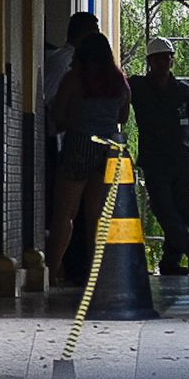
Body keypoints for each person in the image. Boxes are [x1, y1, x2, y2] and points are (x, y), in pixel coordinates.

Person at [46, 31, 131, 286]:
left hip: (79, 144)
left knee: (65, 214)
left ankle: (51, 272)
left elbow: (58, 114)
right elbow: (123, 117)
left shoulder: (75, 78)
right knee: (97, 216)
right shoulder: (120, 82)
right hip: (108, 149)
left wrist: (74, 119)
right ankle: (97, 276)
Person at [130, 36, 189, 275]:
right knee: (162, 207)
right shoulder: (138, 87)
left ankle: (171, 261)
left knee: (181, 211)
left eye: (166, 58)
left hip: (181, 159)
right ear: (149, 61)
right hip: (154, 160)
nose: (163, 63)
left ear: (172, 60)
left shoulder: (183, 91)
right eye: (158, 59)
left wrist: (176, 138)